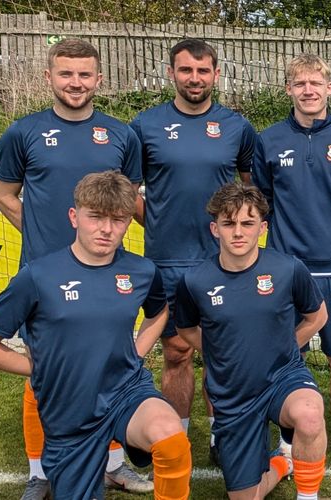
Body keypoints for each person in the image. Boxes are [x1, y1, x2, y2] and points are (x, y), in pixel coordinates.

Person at [0, 171, 191, 500]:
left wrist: (136, 352)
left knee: (170, 439)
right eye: (96, 217)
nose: (106, 229)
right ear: (75, 217)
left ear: (129, 222)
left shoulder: (142, 271)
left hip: (125, 392)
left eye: (118, 219)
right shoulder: (38, 276)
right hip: (69, 410)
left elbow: (158, 313)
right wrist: (38, 368)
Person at [0, 37, 150, 498]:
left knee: (113, 366)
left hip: (109, 275)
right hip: (47, 275)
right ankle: (41, 472)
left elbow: (128, 204)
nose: (75, 83)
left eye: (84, 74)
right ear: (49, 78)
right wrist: (42, 233)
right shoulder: (22, 133)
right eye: (66, 74)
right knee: (44, 369)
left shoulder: (122, 136)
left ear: (99, 80)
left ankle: (116, 464)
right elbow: (5, 194)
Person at [129, 39, 258, 460]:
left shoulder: (237, 127)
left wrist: (235, 233)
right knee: (177, 352)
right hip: (165, 262)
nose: (195, 79)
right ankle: (176, 441)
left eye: (203, 71)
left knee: (224, 352)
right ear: (172, 74)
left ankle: (223, 437)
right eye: (186, 70)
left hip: (223, 262)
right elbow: (129, 192)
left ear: (216, 75)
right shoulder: (145, 126)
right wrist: (160, 222)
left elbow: (251, 188)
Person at [173, 183, 330, 500]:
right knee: (248, 497)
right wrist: (220, 353)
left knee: (310, 415)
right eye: (229, 224)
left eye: (248, 223)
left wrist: (284, 346)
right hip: (233, 394)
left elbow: (318, 316)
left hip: (282, 378)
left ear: (263, 227)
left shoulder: (288, 269)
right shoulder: (194, 281)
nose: (238, 233)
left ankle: (308, 497)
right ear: (215, 228)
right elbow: (187, 329)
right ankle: (282, 464)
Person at [252, 53, 331, 472]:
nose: (308, 91)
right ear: (288, 89)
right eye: (300, 84)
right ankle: (285, 444)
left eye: (315, 84)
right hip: (286, 268)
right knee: (285, 357)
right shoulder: (267, 140)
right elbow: (262, 202)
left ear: (329, 88)